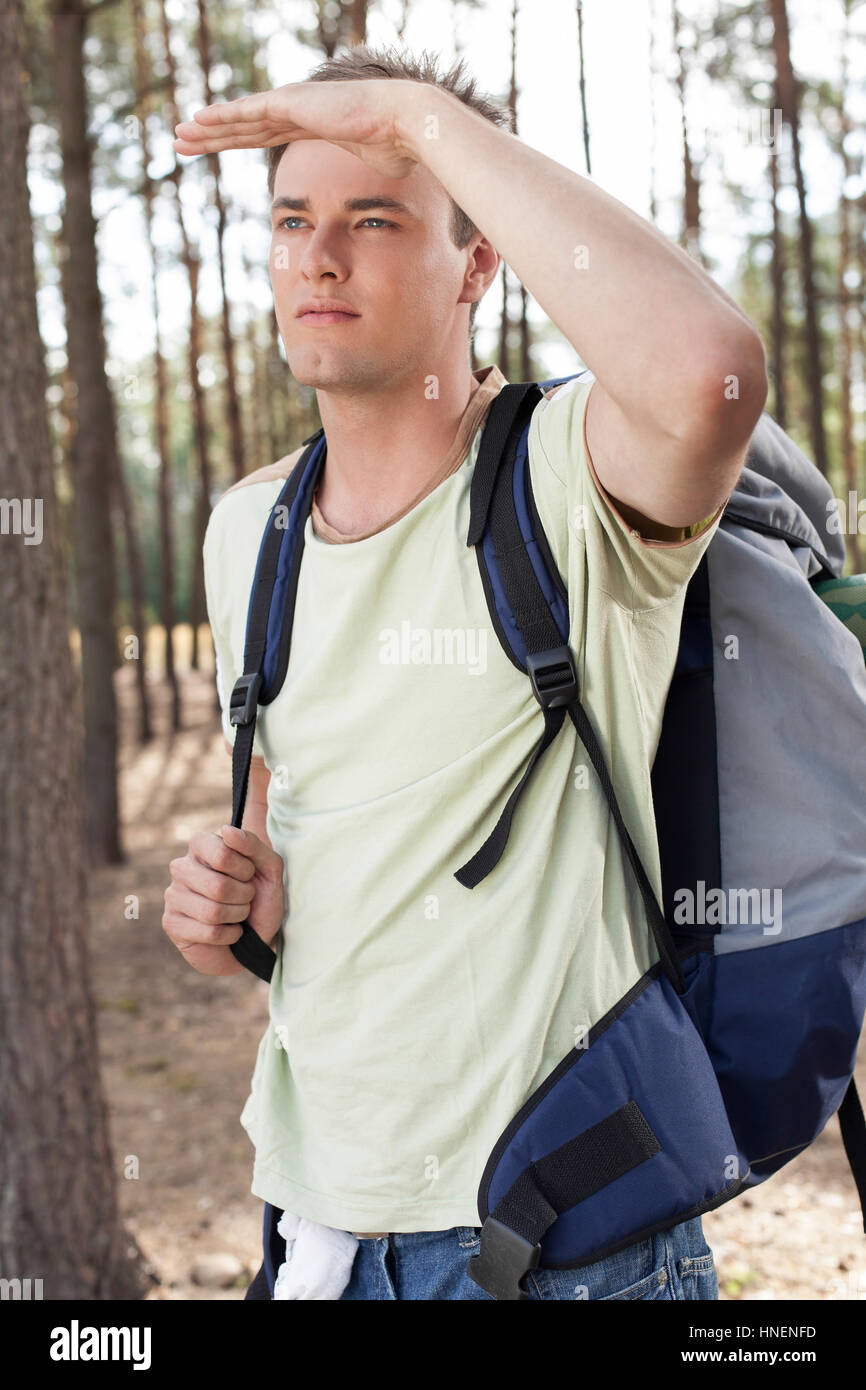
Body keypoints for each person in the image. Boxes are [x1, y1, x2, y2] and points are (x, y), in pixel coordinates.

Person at [162, 43, 768, 1300]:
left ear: (477, 259)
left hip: (566, 1238)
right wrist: (230, 917)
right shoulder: (247, 529)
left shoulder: (565, 472)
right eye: (292, 220)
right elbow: (289, 844)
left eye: (373, 218)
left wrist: (416, 119)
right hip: (316, 1231)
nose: (318, 258)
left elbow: (709, 373)